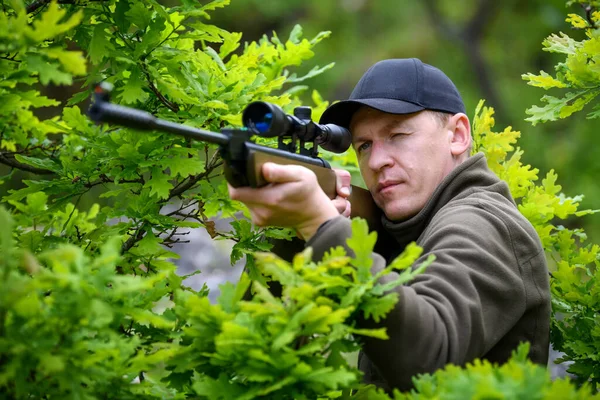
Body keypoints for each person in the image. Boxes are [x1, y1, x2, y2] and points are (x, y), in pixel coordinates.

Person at [229, 58, 551, 392]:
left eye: (397, 134)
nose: (377, 160)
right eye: (364, 145)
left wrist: (320, 224)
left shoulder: (483, 221)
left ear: (457, 135)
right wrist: (295, 232)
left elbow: (428, 359)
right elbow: (251, 355)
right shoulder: (407, 228)